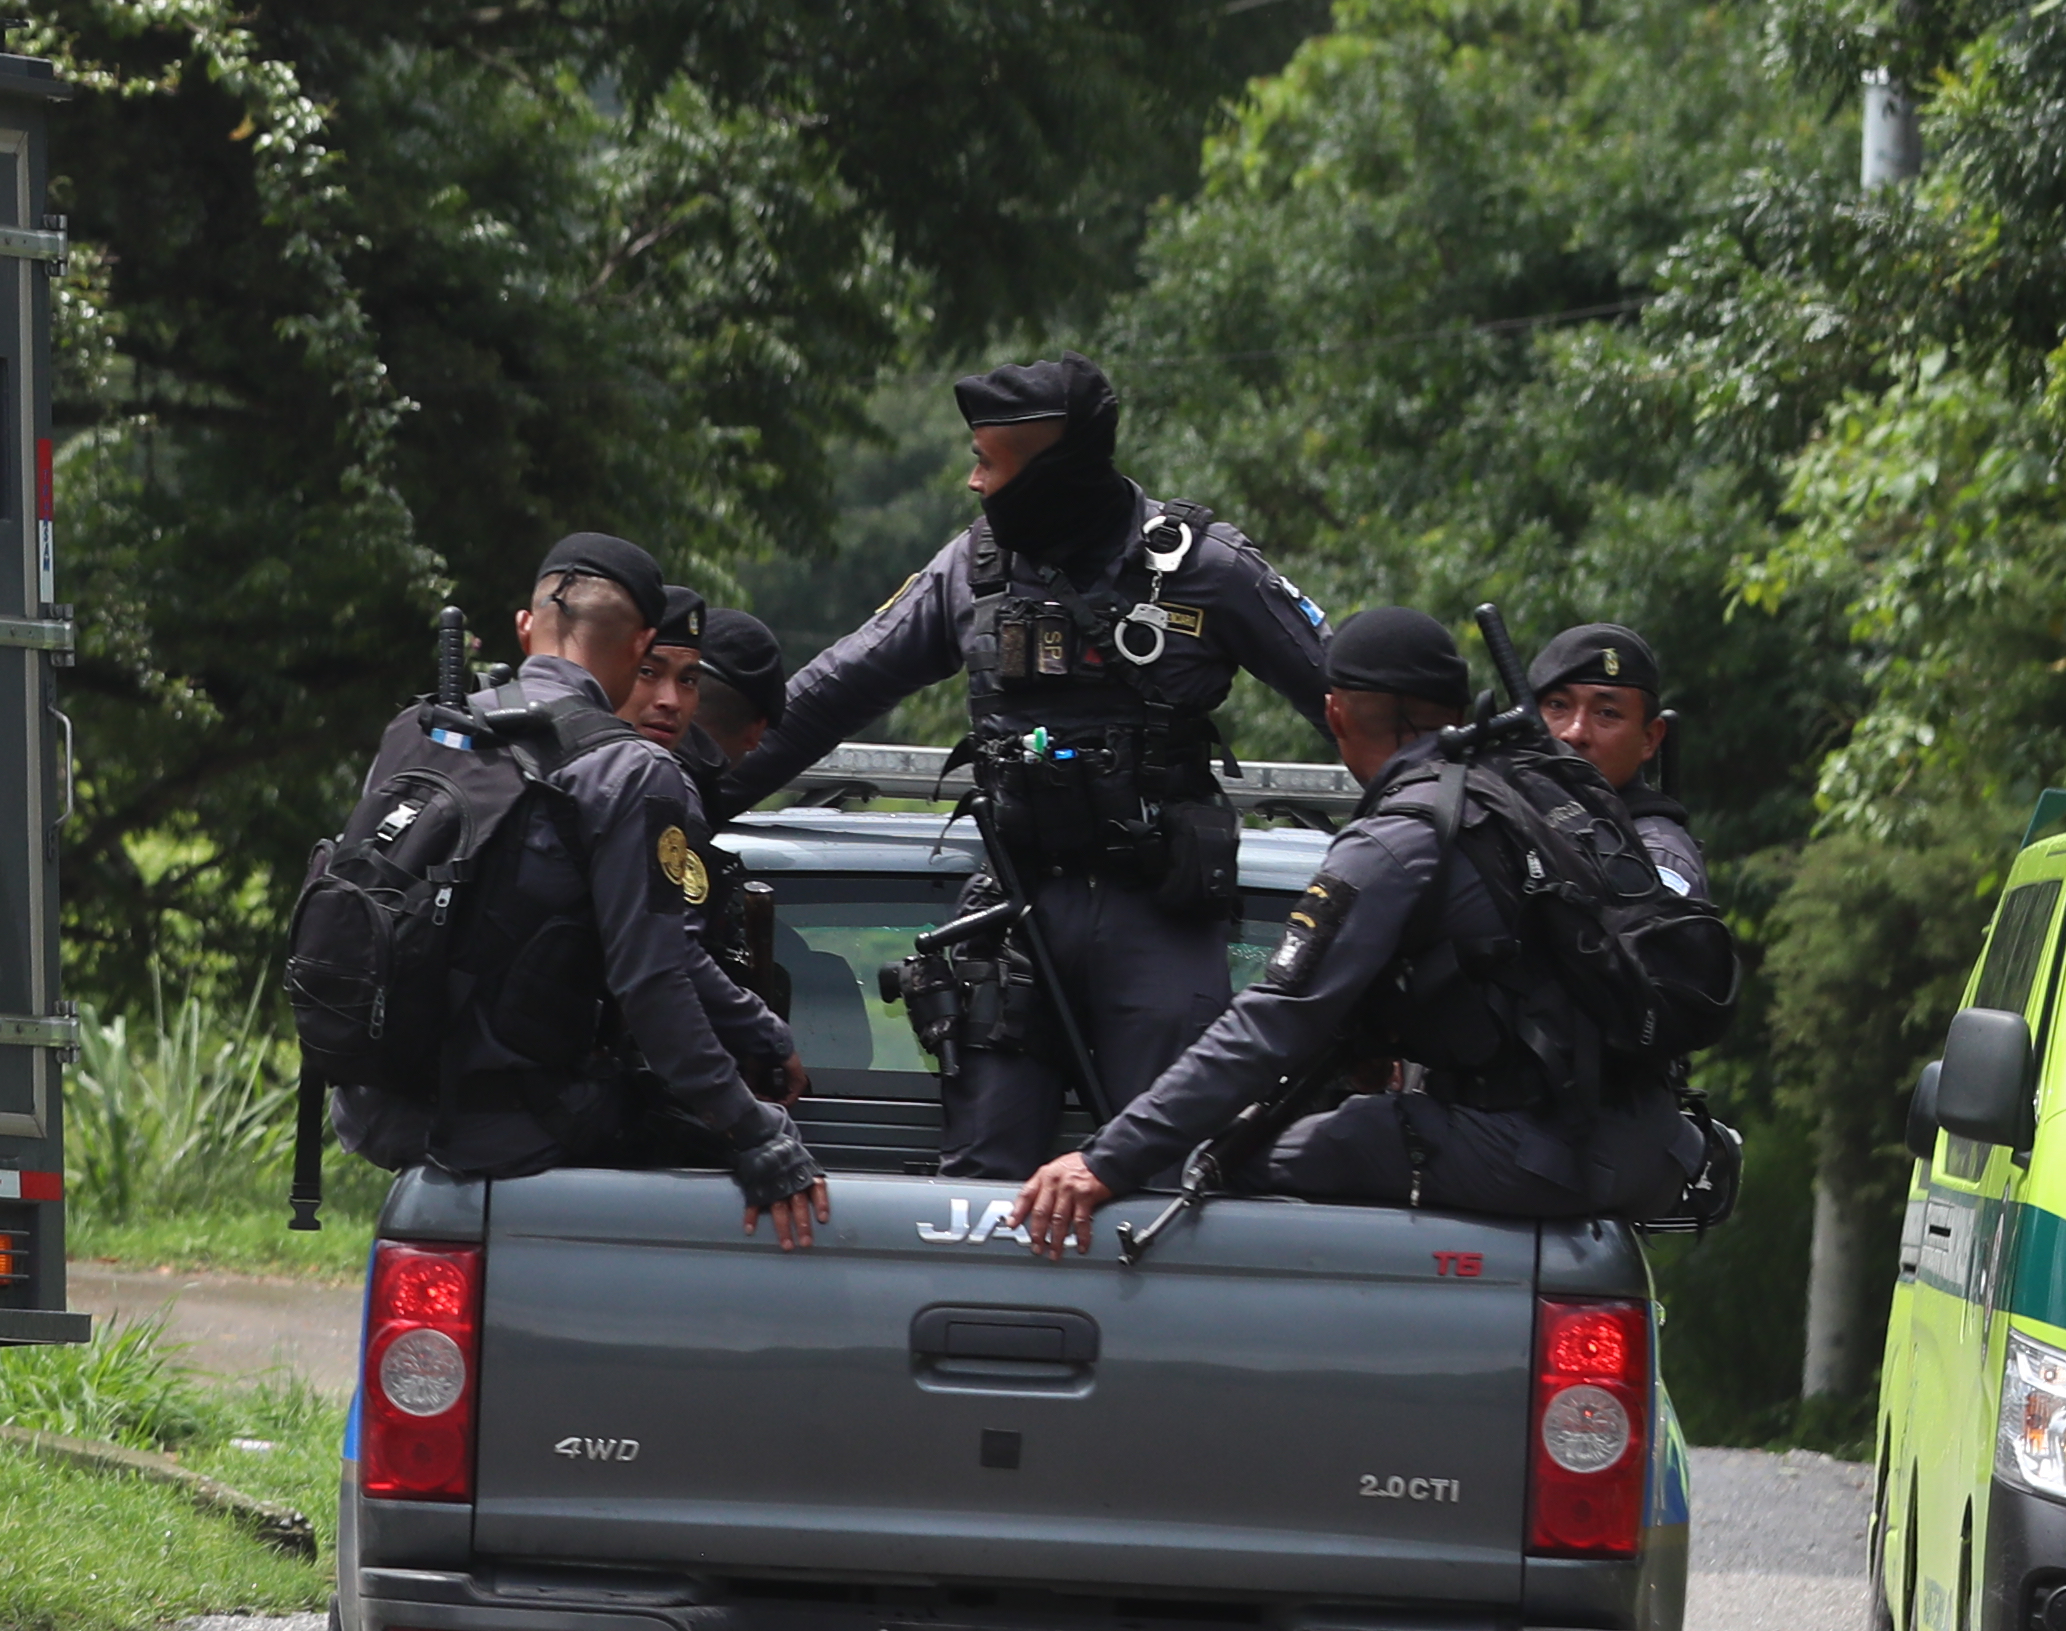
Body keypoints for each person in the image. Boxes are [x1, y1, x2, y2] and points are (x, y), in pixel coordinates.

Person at [705, 357, 1331, 1175]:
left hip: (1158, 912)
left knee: (1170, 1173)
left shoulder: (1206, 567)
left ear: (1054, 470)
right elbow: (822, 700)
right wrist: (685, 798)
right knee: (981, 1178)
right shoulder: (971, 568)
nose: (972, 483)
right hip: (1011, 909)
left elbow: (1354, 700)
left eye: (989, 463)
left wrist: (1449, 812)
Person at [1009, 609, 1700, 1248]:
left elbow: (1271, 1023)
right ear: (1458, 713)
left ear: (1335, 715)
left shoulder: (1402, 835)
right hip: (1645, 1145)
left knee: (1205, 1162)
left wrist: (1105, 1160)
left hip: (1544, 1151)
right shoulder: (1525, 801)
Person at [327, 534, 827, 1244]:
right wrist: (757, 1133)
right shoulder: (631, 771)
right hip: (514, 1124)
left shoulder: (421, 728)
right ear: (640, 643)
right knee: (704, 1145)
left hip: (380, 1102)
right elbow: (652, 979)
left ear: (525, 628)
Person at [626, 601, 795, 1026]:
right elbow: (675, 960)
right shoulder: (671, 794)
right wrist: (762, 1033)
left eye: (686, 680)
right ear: (756, 732)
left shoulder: (601, 768)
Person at [1528, 620, 1708, 900]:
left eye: (1607, 713)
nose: (1575, 732)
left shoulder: (1656, 855)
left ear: (1649, 738)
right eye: (1558, 706)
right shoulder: (1513, 818)